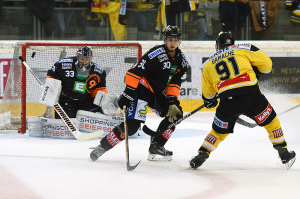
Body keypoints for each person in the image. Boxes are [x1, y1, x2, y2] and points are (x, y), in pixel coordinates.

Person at [190, 31, 296, 170]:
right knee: (272, 123)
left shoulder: (208, 64)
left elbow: (208, 95)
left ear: (218, 45)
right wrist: (257, 70)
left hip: (228, 102)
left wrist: (211, 101)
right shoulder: (243, 48)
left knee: (217, 132)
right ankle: (283, 153)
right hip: (251, 96)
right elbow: (267, 66)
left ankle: (202, 154)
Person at [90, 25, 190, 162]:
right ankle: (102, 147)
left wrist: (172, 102)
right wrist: (128, 93)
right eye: (170, 39)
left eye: (175, 40)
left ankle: (157, 145)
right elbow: (134, 72)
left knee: (176, 115)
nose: (172, 43)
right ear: (165, 40)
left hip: (156, 93)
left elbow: (174, 83)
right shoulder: (156, 53)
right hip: (141, 90)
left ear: (179, 41)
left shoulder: (181, 61)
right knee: (131, 127)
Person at [46, 46, 108, 118]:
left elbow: (100, 89)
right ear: (77, 57)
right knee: (63, 125)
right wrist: (49, 89)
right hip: (66, 100)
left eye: (87, 59)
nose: (84, 61)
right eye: (82, 58)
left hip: (85, 101)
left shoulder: (99, 71)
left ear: (90, 59)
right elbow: (51, 76)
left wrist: (102, 103)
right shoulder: (62, 65)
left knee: (87, 124)